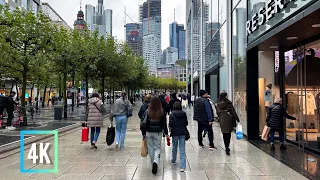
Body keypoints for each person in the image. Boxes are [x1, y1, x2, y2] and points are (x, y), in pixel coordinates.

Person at [140, 96, 169, 174]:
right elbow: (164, 123)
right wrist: (166, 133)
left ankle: (153, 161)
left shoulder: (147, 111)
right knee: (157, 148)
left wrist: (143, 133)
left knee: (150, 148)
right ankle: (155, 162)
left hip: (149, 132)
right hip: (158, 132)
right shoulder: (161, 111)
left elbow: (143, 123)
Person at [169, 102, 188, 172]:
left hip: (175, 133)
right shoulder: (184, 114)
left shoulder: (172, 114)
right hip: (182, 132)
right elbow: (186, 123)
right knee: (182, 149)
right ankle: (182, 167)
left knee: (174, 147)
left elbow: (170, 124)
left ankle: (173, 159)